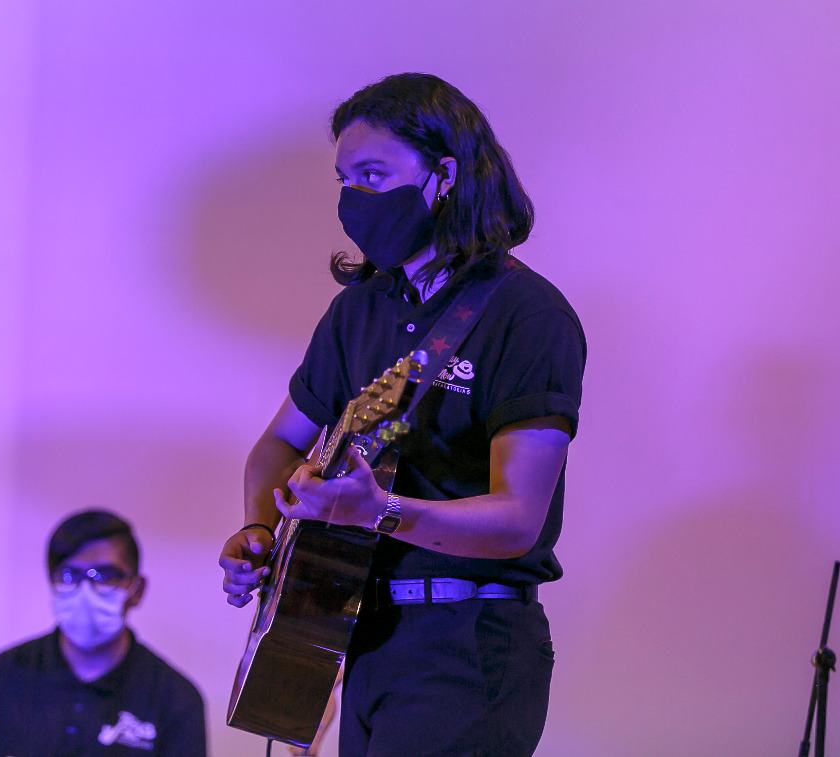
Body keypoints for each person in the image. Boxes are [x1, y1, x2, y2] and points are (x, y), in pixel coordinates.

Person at [219, 73, 585, 756]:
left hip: (468, 643)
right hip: (357, 632)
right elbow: (277, 444)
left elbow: (517, 518)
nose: (353, 197)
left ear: (444, 175)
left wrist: (380, 510)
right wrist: (258, 530)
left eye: (373, 173)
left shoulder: (525, 314)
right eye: (345, 178)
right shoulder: (359, 310)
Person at [0, 509, 206, 757]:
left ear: (137, 590)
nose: (85, 591)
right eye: (69, 576)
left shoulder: (175, 699)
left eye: (104, 575)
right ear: (53, 586)